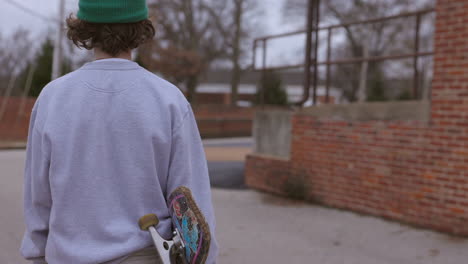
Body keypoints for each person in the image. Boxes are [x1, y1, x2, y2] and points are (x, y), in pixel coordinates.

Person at [19, 0, 218, 263]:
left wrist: (36, 254)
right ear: (141, 27)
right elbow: (193, 203)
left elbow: (38, 197)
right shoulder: (168, 100)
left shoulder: (52, 98)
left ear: (83, 27)